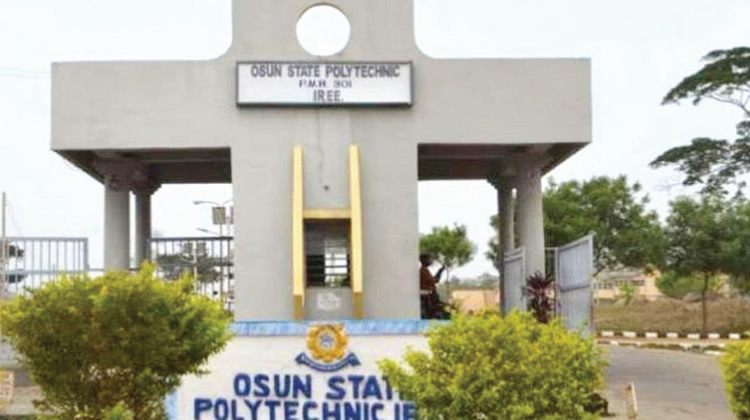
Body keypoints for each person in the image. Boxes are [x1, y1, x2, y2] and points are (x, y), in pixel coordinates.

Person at [419, 253, 448, 319]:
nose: (430, 261)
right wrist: (440, 271)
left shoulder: (424, 270)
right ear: (424, 260)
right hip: (427, 298)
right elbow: (435, 280)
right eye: (429, 259)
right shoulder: (424, 271)